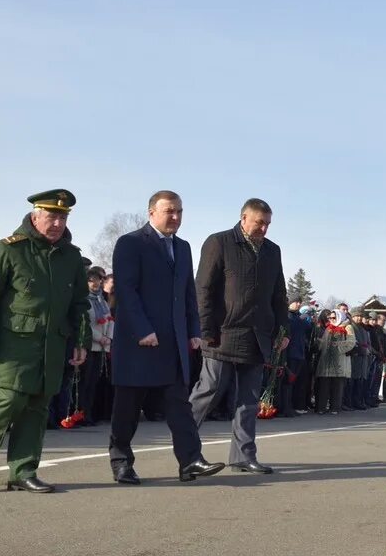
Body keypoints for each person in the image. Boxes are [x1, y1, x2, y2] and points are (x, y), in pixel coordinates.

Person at [0, 190, 90, 494]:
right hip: (14, 342)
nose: (57, 223)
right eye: (51, 216)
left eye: (62, 217)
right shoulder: (9, 249)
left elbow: (79, 304)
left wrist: (80, 340)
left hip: (53, 344)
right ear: (35, 216)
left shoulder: (71, 256)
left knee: (37, 407)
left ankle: (23, 471)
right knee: (9, 399)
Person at [108, 191, 225, 485]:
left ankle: (190, 461)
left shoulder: (183, 248)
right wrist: (142, 329)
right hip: (139, 343)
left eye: (180, 212)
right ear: (151, 213)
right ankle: (121, 462)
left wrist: (194, 332)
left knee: (179, 406)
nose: (175, 217)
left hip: (173, 344)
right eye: (169, 211)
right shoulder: (131, 243)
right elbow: (126, 290)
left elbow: (188, 294)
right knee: (128, 408)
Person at [190, 198, 288, 474]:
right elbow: (204, 289)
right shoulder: (219, 243)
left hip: (257, 336)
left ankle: (244, 456)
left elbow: (278, 293)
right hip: (222, 334)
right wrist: (205, 330)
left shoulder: (272, 251)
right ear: (244, 218)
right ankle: (186, 449)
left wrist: (283, 328)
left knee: (248, 401)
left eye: (268, 224)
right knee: (208, 392)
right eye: (260, 223)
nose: (264, 229)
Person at [77, 266, 112, 426]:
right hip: (89, 345)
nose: (95, 283)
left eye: (98, 280)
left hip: (102, 346)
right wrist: (99, 337)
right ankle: (82, 414)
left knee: (93, 382)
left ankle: (90, 413)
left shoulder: (102, 301)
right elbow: (84, 323)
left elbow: (110, 320)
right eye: (91, 280)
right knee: (84, 382)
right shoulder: (84, 300)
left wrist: (108, 337)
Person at [313, 309, 355, 414]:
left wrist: (338, 346)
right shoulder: (329, 328)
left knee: (337, 386)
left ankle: (335, 407)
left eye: (333, 318)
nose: (331, 320)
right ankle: (321, 407)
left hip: (339, 360)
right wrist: (320, 344)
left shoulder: (347, 327)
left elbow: (351, 342)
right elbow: (324, 343)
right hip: (326, 360)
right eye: (330, 318)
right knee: (324, 385)